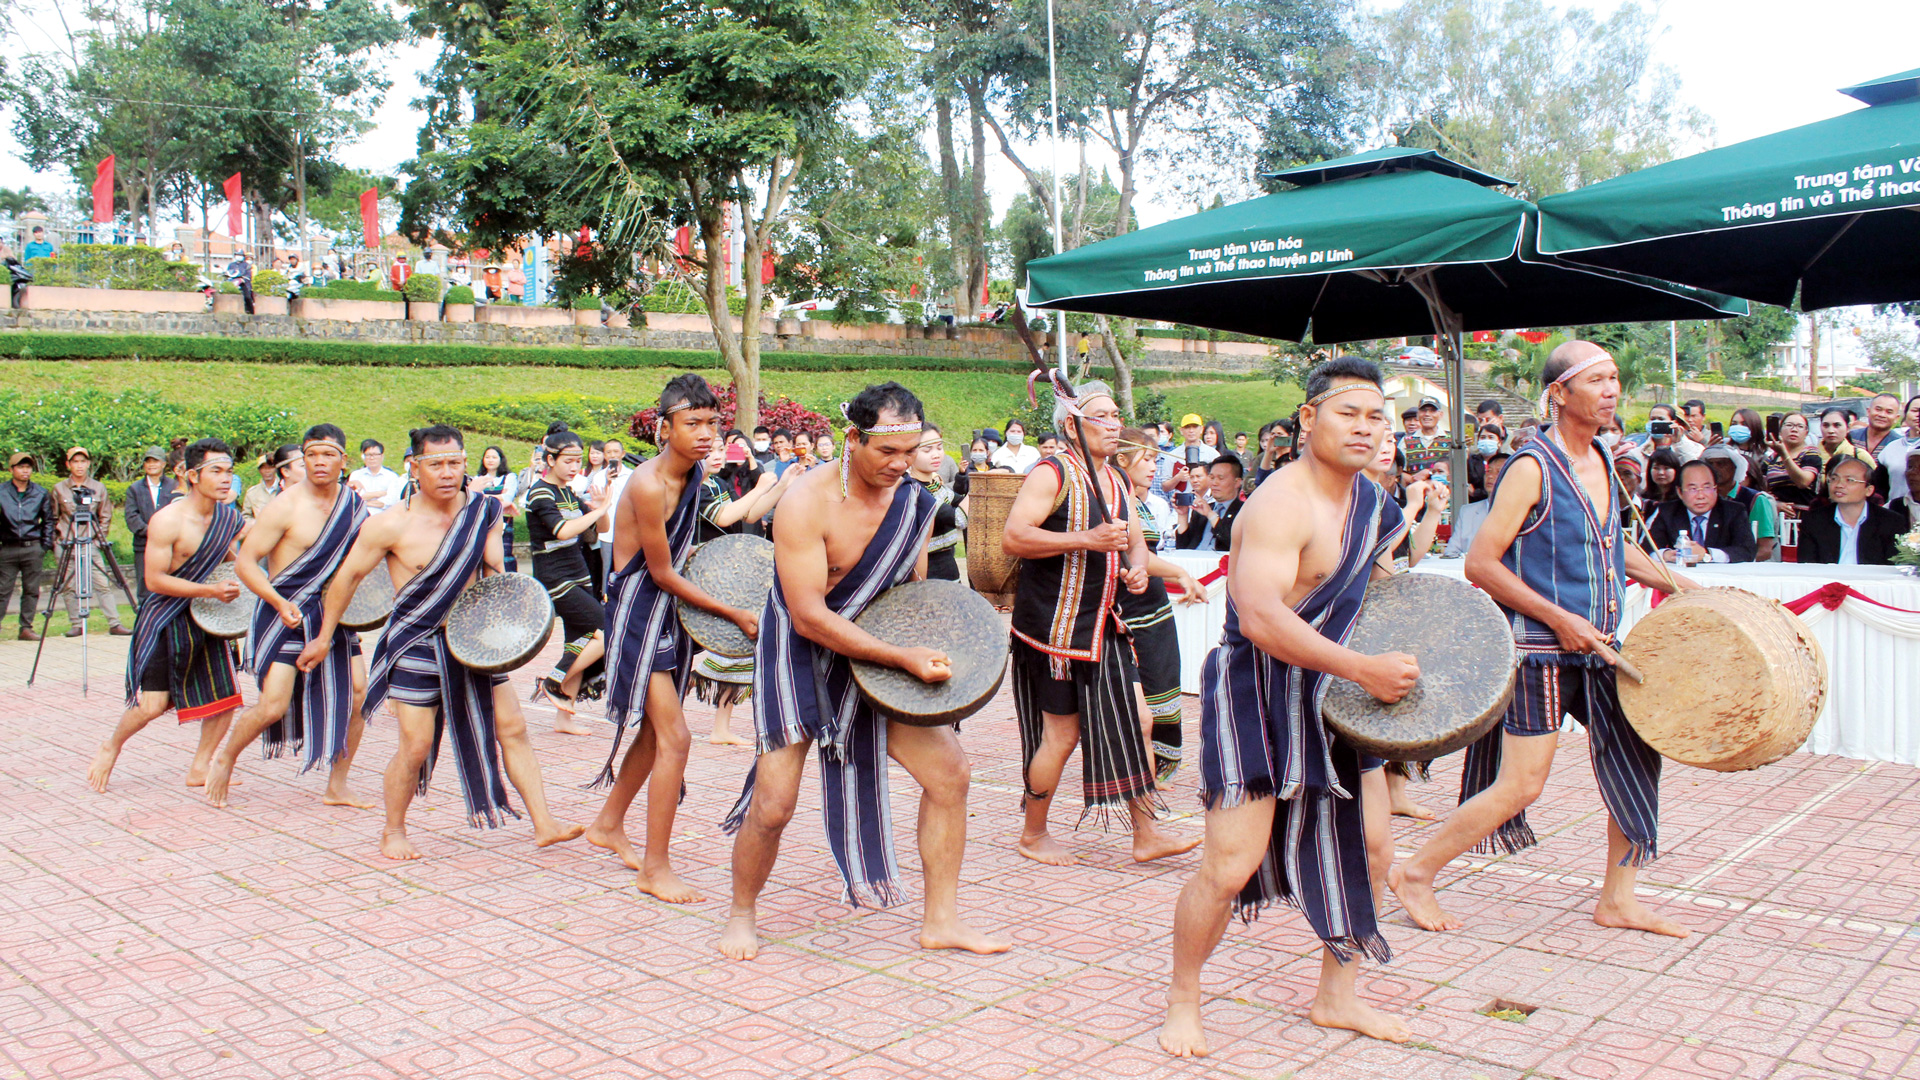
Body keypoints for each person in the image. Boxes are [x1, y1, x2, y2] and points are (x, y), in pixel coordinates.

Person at [1390, 341, 1702, 941]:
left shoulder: (1606, 458)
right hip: (1540, 652)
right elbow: (1482, 563)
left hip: (1603, 647)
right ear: (1559, 394)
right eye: (1597, 380)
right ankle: (1417, 872)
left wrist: (1682, 585)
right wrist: (1559, 619)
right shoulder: (1532, 466)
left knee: (1639, 760)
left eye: (1615, 378)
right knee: (1522, 785)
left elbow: (1615, 548)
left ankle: (1618, 897)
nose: (1612, 390)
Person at [1158, 357, 1418, 1058]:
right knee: (1230, 863)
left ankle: (1337, 996)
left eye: (1375, 417)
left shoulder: (1374, 503)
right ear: (1308, 419)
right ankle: (1184, 998)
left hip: (1335, 692)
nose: (1364, 429)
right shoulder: (1280, 501)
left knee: (1373, 846)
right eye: (1348, 413)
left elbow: (1386, 593)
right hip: (1258, 689)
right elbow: (1264, 617)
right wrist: (1363, 667)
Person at [719, 382, 1008, 961]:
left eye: (912, 451)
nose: (901, 465)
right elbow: (807, 616)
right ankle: (741, 913)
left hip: (878, 648)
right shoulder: (805, 501)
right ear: (853, 438)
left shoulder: (917, 502)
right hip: (800, 651)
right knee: (774, 803)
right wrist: (899, 658)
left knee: (950, 775)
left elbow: (913, 594)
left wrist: (938, 660)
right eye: (887, 453)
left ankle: (941, 919)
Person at [301, 425, 583, 859]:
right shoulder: (389, 524)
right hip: (415, 641)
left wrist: (516, 622)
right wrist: (323, 638)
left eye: (455, 462)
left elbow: (495, 574)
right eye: (436, 464)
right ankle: (393, 830)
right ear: (414, 467)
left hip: (475, 638)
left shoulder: (483, 511)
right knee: (415, 745)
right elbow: (347, 579)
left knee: (513, 728)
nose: (448, 472)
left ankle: (544, 823)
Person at [1003, 380, 1196, 867]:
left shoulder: (1112, 479)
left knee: (1137, 720)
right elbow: (1015, 537)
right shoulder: (1051, 473)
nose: (1114, 424)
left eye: (1116, 415)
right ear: (1072, 424)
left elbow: (1133, 540)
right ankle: (1033, 833)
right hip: (1057, 631)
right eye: (1102, 416)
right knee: (1062, 737)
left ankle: (1146, 833)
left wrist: (1134, 567)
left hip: (1103, 626)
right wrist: (1085, 538)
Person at [587, 375, 760, 901]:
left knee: (655, 734)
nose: (707, 433)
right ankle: (654, 868)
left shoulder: (694, 478)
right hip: (641, 612)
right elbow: (661, 574)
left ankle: (608, 824)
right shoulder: (647, 483)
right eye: (693, 424)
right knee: (676, 738)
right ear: (665, 428)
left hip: (671, 614)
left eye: (713, 423)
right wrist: (732, 612)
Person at [203, 425, 371, 809]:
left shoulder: (353, 505)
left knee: (359, 696)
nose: (319, 462)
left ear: (343, 461)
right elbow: (245, 564)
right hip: (285, 612)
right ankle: (225, 758)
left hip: (331, 613)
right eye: (311, 455)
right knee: (273, 705)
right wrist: (278, 602)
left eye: (328, 454)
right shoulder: (286, 505)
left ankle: (337, 785)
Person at [85, 439, 247, 792]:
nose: (225, 479)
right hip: (167, 616)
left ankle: (200, 767)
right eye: (216, 471)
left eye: (229, 472)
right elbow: (154, 579)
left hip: (208, 617)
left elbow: (234, 558)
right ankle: (111, 746)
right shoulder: (167, 520)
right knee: (152, 704)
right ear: (192, 475)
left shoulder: (228, 518)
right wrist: (211, 591)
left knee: (226, 700)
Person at [688, 435, 796, 747]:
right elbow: (724, 517)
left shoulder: (714, 485)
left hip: (726, 576)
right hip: (707, 579)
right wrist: (763, 487)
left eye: (721, 449)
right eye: (711, 451)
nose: (718, 455)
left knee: (734, 649)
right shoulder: (694, 486)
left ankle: (720, 726)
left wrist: (781, 485)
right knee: (726, 648)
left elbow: (749, 515)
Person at [1115, 428, 1206, 781]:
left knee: (1164, 695)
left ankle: (1154, 768)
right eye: (1147, 459)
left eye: (1155, 459)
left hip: (1154, 612)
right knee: (1143, 704)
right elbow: (1137, 558)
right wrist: (1181, 573)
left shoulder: (1140, 501)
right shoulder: (1117, 499)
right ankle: (1136, 771)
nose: (1154, 467)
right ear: (1122, 460)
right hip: (1131, 613)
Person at [524, 432, 612, 734]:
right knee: (606, 629)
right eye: (569, 460)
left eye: (578, 460)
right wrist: (597, 511)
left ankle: (564, 718)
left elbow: (598, 530)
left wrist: (601, 508)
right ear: (550, 460)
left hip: (579, 573)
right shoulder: (540, 493)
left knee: (579, 640)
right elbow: (562, 531)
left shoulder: (568, 493)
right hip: (555, 578)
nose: (575, 466)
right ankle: (554, 679)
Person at [53, 447, 135, 637]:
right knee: (68, 586)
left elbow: (105, 516)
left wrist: (98, 540)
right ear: (68, 464)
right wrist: (57, 541)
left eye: (83, 461)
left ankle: (114, 623)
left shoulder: (98, 488)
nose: (79, 465)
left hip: (91, 543)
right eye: (75, 462)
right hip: (67, 544)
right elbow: (54, 516)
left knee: (102, 584)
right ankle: (76, 623)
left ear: (88, 464)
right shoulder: (59, 488)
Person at [1798, 458, 1903, 565]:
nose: (1839, 485)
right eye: (1834, 479)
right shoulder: (1814, 520)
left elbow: (1893, 568)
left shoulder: (1891, 522)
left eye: (1850, 480)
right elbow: (1807, 565)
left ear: (1869, 490)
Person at [1648, 460, 1756, 564]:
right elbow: (1646, 549)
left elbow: (1747, 551)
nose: (1700, 496)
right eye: (1693, 489)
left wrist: (1707, 554)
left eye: (1707, 487)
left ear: (1715, 489)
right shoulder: (1667, 512)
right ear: (1680, 492)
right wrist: (1665, 554)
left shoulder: (1734, 511)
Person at [0, 451, 52, 639]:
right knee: (3, 589)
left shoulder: (40, 493)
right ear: (12, 469)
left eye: (28, 467)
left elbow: (48, 521)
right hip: (8, 547)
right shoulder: (2, 492)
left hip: (32, 546)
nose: (25, 471)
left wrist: (44, 546)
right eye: (21, 467)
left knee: (31, 590)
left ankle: (26, 627)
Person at [909, 424, 966, 581]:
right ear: (909, 453)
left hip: (948, 565)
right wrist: (980, 487)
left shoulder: (935, 486)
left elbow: (961, 500)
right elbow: (960, 518)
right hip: (928, 570)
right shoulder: (914, 490)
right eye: (927, 450)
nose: (936, 454)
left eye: (939, 448)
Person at [123, 447, 178, 601]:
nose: (151, 464)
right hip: (143, 545)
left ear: (163, 464)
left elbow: (180, 513)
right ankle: (144, 619)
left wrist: (167, 535)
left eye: (156, 461)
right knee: (144, 585)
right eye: (148, 461)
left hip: (171, 545)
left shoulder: (174, 486)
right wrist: (152, 532)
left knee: (171, 583)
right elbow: (131, 517)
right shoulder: (134, 489)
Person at [1175, 457, 1246, 552]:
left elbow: (1232, 542)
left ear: (1237, 482)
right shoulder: (1202, 510)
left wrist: (1210, 514)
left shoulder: (1244, 510)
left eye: (1221, 478)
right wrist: (1182, 515)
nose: (1214, 483)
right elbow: (1182, 547)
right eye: (1211, 478)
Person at [1445, 453, 1509, 557]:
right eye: (1489, 471)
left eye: (1499, 472)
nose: (1491, 476)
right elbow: (1451, 552)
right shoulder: (1468, 512)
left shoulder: (1523, 513)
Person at [469, 446, 519, 571]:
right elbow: (474, 497)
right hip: (483, 520)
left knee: (505, 553)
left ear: (500, 460)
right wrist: (498, 496)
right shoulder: (478, 479)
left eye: (494, 457)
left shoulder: (510, 477)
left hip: (504, 520)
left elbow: (508, 497)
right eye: (487, 457)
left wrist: (484, 495)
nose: (490, 460)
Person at [1765, 412, 1822, 513]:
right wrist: (1773, 502)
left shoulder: (1810, 453)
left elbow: (1803, 482)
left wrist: (1784, 454)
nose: (1794, 430)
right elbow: (1759, 485)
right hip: (1776, 515)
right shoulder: (1772, 458)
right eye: (1789, 425)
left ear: (1806, 432)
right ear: (1780, 430)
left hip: (1802, 516)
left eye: (1800, 426)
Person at [347, 439, 404, 512]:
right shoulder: (356, 475)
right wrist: (380, 493)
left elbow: (390, 502)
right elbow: (354, 499)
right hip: (359, 515)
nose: (372, 458)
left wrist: (365, 500)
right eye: (368, 455)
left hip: (383, 517)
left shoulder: (392, 477)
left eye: (375, 454)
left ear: (382, 456)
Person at [227, 250, 255, 314]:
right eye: (237, 255)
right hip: (234, 283)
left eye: (240, 255)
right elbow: (229, 273)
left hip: (244, 284)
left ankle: (250, 311)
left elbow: (248, 275)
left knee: (247, 297)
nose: (239, 257)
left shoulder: (247, 265)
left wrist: (243, 280)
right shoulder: (231, 265)